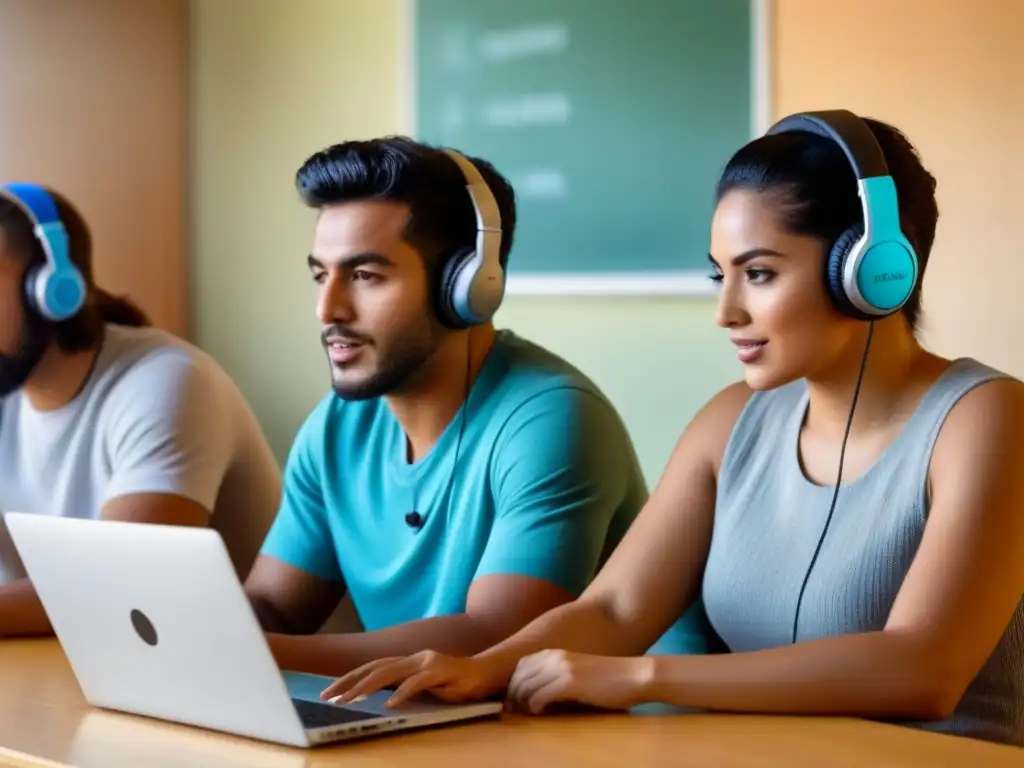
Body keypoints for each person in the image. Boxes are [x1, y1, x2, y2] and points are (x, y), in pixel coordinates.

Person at [319, 112, 1024, 747]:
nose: (726, 312)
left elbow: (923, 667)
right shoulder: (729, 421)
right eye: (719, 275)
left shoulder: (987, 420)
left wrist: (645, 677)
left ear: (871, 272)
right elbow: (617, 606)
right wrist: (481, 669)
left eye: (759, 273)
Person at [243, 136, 716, 676]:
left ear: (467, 285)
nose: (329, 308)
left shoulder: (552, 418)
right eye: (320, 275)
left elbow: (497, 636)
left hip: (629, 728)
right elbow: (276, 607)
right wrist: (195, 632)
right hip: (443, 722)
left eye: (365, 276)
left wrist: (254, 654)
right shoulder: (335, 428)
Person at [0, 182, 282, 637]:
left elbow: (118, 585)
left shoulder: (167, 380)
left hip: (278, 690)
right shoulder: (8, 395)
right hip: (102, 673)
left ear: (52, 288)